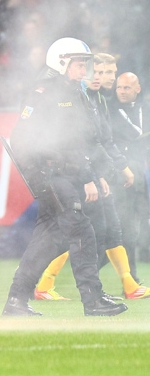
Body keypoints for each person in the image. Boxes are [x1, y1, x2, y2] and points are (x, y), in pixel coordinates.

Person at [2, 37, 127, 317]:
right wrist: (57, 175)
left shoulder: (74, 92)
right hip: (53, 175)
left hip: (65, 175)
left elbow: (85, 139)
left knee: (49, 238)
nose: (84, 71)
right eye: (79, 65)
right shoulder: (45, 92)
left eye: (85, 65)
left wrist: (93, 175)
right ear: (61, 63)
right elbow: (32, 140)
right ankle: (93, 299)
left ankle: (15, 301)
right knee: (81, 230)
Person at [35, 54, 148, 301]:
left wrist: (103, 173)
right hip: (76, 175)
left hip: (92, 173)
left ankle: (126, 284)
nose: (103, 77)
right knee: (82, 232)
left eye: (109, 72)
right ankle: (45, 283)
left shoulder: (96, 98)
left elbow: (99, 141)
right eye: (99, 71)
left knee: (107, 229)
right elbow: (86, 142)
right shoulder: (79, 98)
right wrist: (103, 172)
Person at [110, 72, 150, 288]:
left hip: (139, 177)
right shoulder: (109, 110)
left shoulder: (146, 108)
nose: (122, 92)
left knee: (136, 227)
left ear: (138, 88)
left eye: (127, 88)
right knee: (122, 229)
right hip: (118, 176)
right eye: (119, 88)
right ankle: (131, 279)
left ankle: (132, 278)